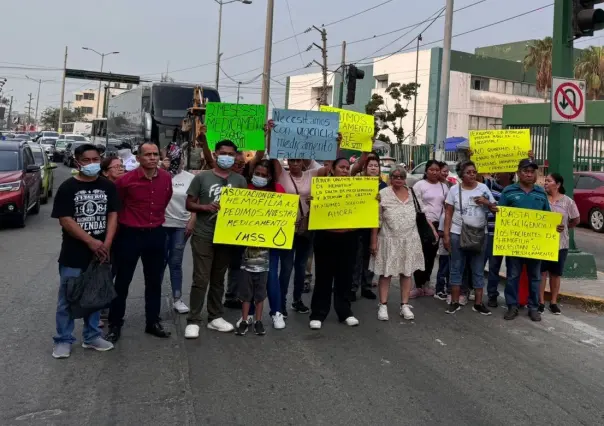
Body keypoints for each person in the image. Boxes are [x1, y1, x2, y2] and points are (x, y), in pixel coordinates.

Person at [51, 144, 118, 359]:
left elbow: (113, 215)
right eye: (87, 160)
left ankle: (92, 337)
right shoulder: (68, 187)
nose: (92, 164)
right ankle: (63, 339)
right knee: (67, 299)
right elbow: (65, 219)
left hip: (100, 254)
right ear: (77, 162)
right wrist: (90, 241)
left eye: (96, 159)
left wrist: (105, 244)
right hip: (74, 254)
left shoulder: (108, 186)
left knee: (95, 297)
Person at [105, 142, 173, 343]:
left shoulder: (166, 178)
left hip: (156, 234)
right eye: (148, 154)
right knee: (122, 282)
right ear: (138, 158)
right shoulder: (125, 181)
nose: (152, 158)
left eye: (155, 154)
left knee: (154, 282)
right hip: (129, 235)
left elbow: (165, 199)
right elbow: (116, 208)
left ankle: (152, 321)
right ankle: (115, 324)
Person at [184, 140, 248, 339]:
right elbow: (189, 203)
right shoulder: (202, 178)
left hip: (226, 236)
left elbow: (245, 208)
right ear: (216, 153)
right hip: (204, 234)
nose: (227, 157)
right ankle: (194, 319)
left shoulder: (240, 180)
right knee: (201, 278)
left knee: (218, 279)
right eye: (223, 153)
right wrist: (205, 207)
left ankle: (215, 317)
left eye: (230, 154)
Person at [370, 166, 435, 321]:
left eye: (401, 176)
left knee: (406, 273)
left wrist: (431, 229)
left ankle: (404, 305)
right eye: (395, 176)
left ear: (405, 178)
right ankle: (383, 304)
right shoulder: (382, 194)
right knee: (386, 273)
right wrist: (373, 241)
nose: (398, 179)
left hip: (410, 239)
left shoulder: (412, 193)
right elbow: (376, 220)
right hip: (388, 239)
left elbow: (421, 214)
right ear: (390, 178)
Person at [497, 159, 555, 322]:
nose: (529, 174)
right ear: (518, 173)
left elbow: (548, 218)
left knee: (535, 277)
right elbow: (501, 216)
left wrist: (556, 227)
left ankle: (534, 308)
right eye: (525, 171)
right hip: (514, 243)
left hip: (535, 245)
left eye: (532, 171)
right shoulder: (508, 191)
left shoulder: (541, 193)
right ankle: (512, 306)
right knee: (513, 275)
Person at [308, 158, 360, 330]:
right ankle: (318, 313)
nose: (345, 170)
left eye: (347, 168)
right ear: (333, 169)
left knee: (345, 276)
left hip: (348, 238)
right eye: (341, 167)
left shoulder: (357, 188)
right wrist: (312, 201)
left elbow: (364, 207)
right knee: (323, 276)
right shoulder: (324, 185)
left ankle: (345, 311)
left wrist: (373, 199)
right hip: (326, 237)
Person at [235, 159, 285, 335]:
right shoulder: (245, 189)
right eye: (258, 174)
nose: (260, 177)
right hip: (247, 243)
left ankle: (275, 312)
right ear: (252, 173)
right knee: (247, 280)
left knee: (270, 276)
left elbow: (285, 215)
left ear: (270, 177)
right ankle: (247, 315)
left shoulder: (278, 190)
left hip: (270, 243)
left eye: (264, 175)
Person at [443, 161, 497, 315]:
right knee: (456, 267)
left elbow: (495, 209)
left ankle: (478, 303)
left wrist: (486, 202)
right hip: (457, 233)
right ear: (461, 175)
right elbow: (448, 213)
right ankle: (454, 301)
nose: (472, 175)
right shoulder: (454, 190)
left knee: (478, 268)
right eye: (468, 172)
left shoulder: (483, 188)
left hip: (480, 234)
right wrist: (446, 235)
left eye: (474, 172)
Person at [539, 173, 579, 315]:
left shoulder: (568, 202)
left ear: (558, 184)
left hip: (560, 244)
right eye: (545, 181)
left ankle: (554, 302)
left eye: (549, 181)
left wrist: (565, 226)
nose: (545, 183)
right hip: (542, 242)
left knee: (555, 274)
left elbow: (576, 219)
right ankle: (541, 301)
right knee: (542, 272)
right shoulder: (541, 199)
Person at [163, 146, 196, 314]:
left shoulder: (190, 178)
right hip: (161, 226)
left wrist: (192, 221)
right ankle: (154, 298)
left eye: (179, 158)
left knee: (175, 263)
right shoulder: (159, 175)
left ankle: (177, 298)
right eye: (173, 158)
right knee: (158, 264)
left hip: (181, 226)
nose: (178, 162)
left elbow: (195, 201)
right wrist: (163, 169)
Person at [349, 153, 385, 301]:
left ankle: (367, 286)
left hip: (375, 227)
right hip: (358, 226)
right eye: (370, 165)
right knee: (356, 258)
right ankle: (352, 287)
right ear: (365, 168)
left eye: (376, 166)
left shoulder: (383, 186)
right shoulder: (358, 181)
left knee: (370, 257)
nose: (373, 168)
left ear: (379, 169)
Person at [411, 160, 449, 298]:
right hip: (422, 224)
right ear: (426, 171)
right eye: (431, 169)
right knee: (420, 254)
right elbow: (416, 206)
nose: (434, 172)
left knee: (432, 256)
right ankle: (417, 285)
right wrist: (428, 223)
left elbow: (446, 206)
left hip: (438, 224)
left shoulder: (444, 187)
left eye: (437, 170)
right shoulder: (419, 185)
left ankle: (426, 283)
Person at [484, 173, 515, 308]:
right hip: (493, 233)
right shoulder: (489, 186)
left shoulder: (516, 189)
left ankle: (511, 299)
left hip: (511, 236)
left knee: (513, 269)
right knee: (493, 267)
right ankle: (492, 295)